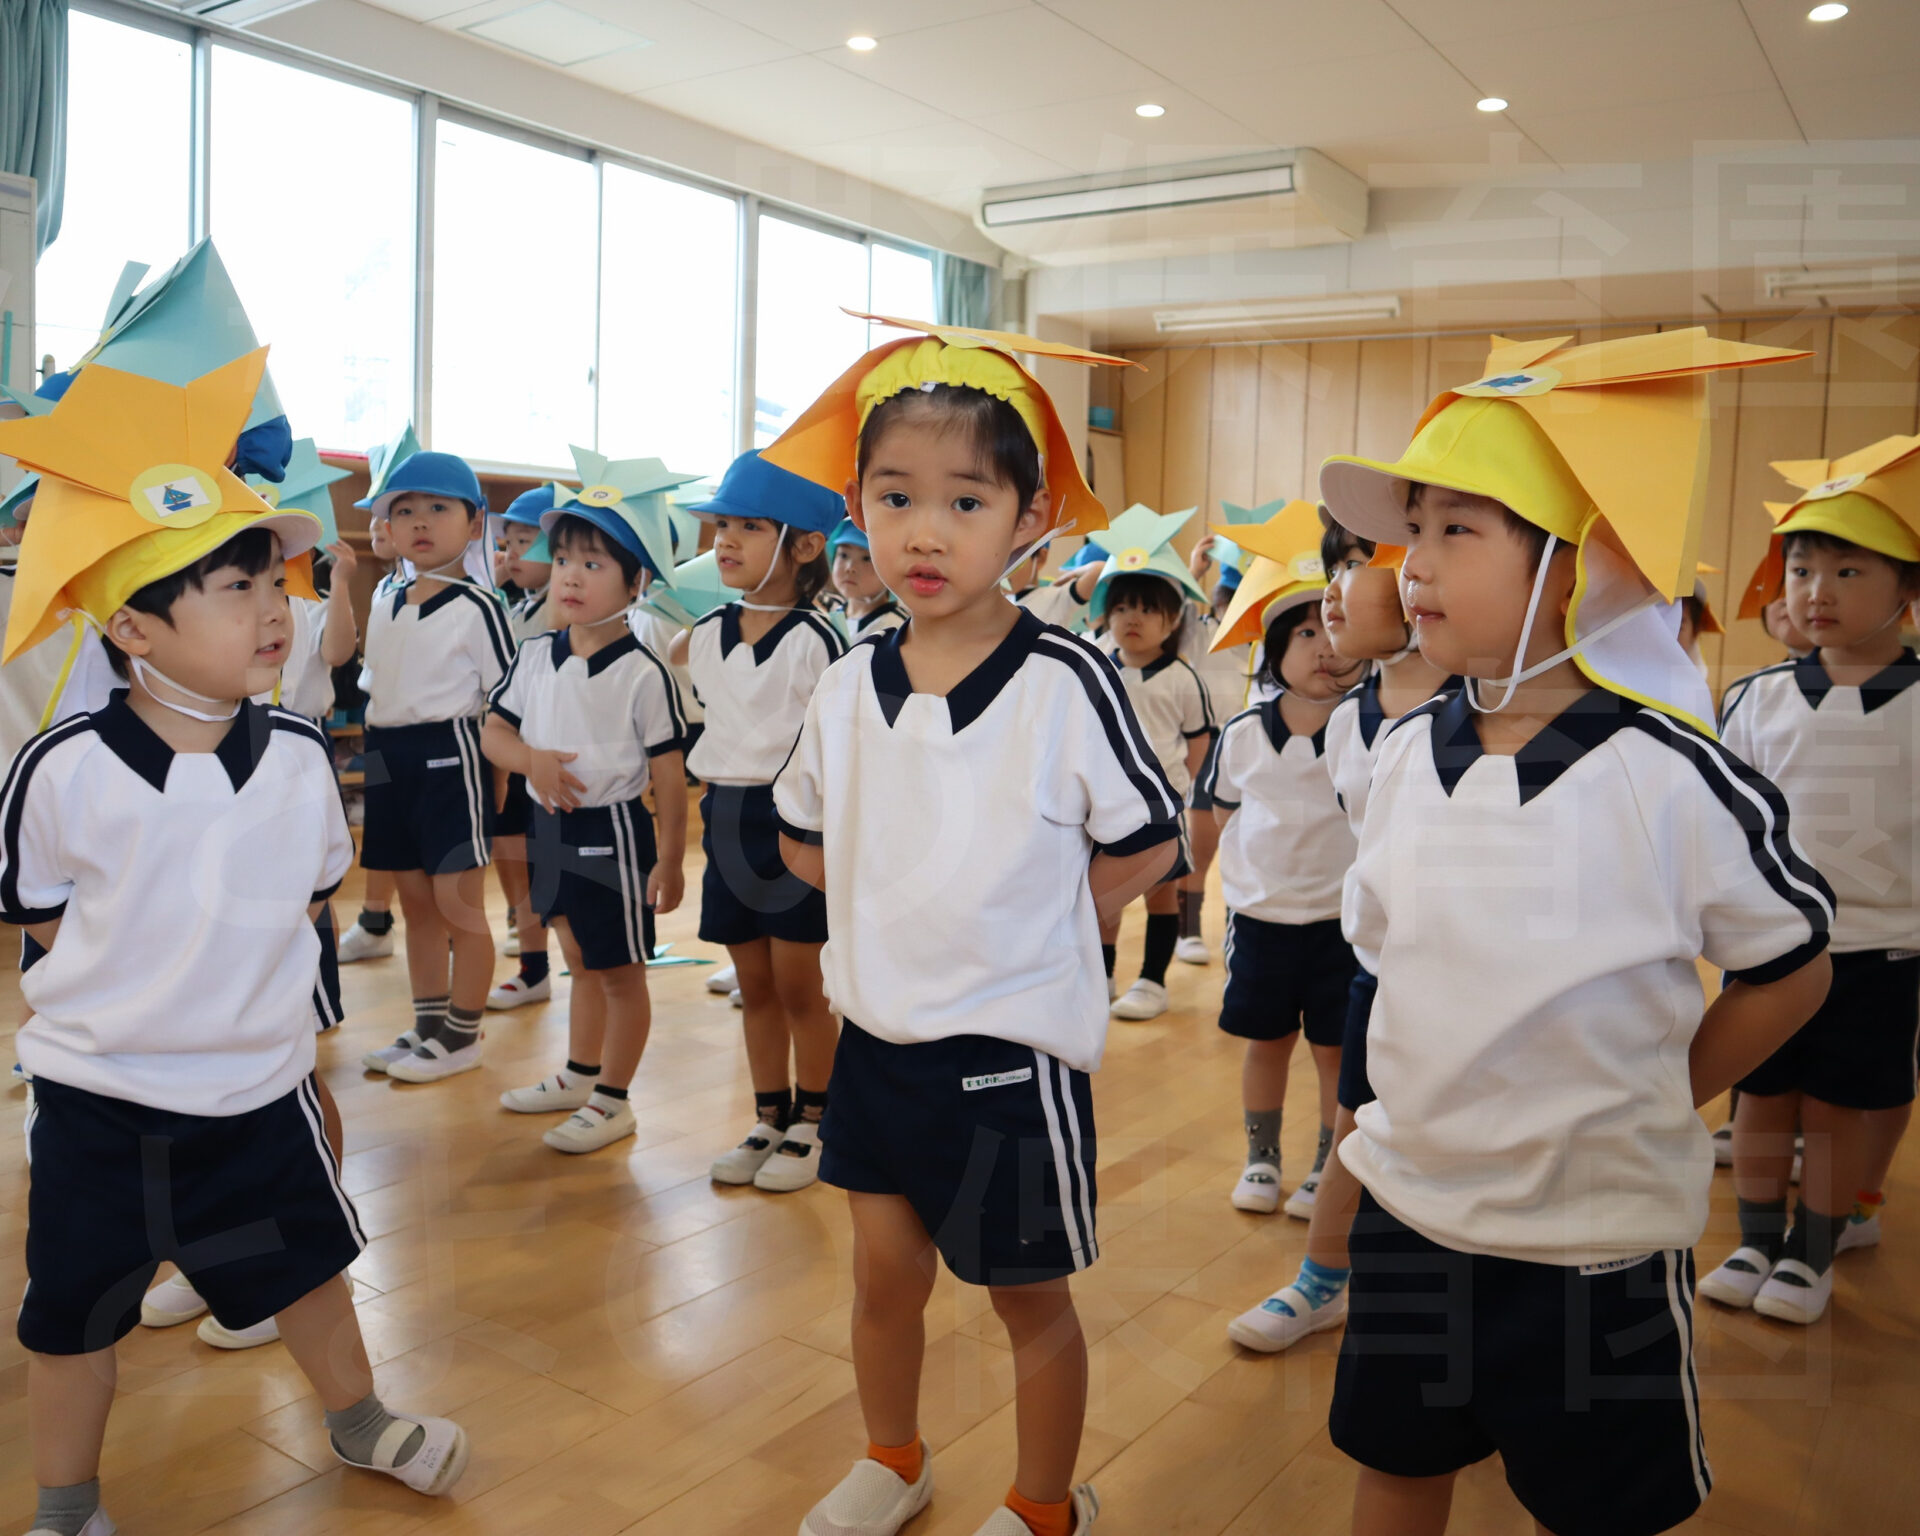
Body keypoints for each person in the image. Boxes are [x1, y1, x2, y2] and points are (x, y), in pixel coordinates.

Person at [1316, 328, 1833, 1536]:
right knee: (1396, 1462)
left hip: (1591, 1247)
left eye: (1459, 530)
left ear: (1577, 566)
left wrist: (1670, 1087)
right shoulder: (1403, 750)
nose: (1412, 565)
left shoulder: (1668, 774)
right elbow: (1383, 959)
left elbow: (1792, 965)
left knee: (1602, 1505)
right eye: (1414, 530)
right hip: (1413, 1215)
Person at [0, 354, 470, 1536]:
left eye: (275, 580)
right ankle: (66, 1501)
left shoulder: (303, 758)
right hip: (99, 1101)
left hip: (258, 1091)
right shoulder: (63, 770)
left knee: (306, 1268)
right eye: (233, 588)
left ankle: (358, 1418)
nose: (274, 611)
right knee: (72, 1316)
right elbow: (41, 915)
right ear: (132, 628)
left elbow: (307, 895)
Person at [764, 315, 1164, 1536]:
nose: (925, 533)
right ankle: (893, 1459)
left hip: (1008, 1058)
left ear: (1029, 517)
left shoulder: (1066, 682)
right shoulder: (847, 681)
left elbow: (1150, 837)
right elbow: (798, 833)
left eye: (965, 501)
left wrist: (1049, 915)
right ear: (856, 508)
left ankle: (1044, 1505)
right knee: (883, 1282)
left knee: (1025, 1299)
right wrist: (884, 897)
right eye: (896, 499)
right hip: (877, 1046)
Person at [1704, 436, 1920, 1323]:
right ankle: (1757, 1239)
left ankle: (1812, 1251)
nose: (1816, 591)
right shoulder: (1758, 697)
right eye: (1800, 570)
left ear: (1907, 590)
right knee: (1760, 1098)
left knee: (1835, 1112)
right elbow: (1724, 821)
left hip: (1882, 950)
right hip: (1775, 947)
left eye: (1847, 571)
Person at [1226, 509, 1453, 1350]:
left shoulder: (1480, 702)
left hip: (1459, 977)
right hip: (1376, 968)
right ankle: (1323, 1278)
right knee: (1355, 1117)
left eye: (1363, 564)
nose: (1336, 591)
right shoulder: (1351, 717)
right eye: (1337, 568)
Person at [486, 498, 689, 1153]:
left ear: (635, 584)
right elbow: (494, 733)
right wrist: (531, 761)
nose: (571, 575)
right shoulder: (536, 655)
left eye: (594, 564)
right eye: (564, 560)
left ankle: (614, 1100)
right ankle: (579, 1074)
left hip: (613, 834)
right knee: (577, 957)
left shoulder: (643, 672)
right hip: (548, 828)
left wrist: (671, 860)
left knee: (619, 970)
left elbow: (669, 776)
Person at [671, 450, 846, 1192]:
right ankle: (769, 1114)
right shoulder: (707, 630)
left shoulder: (819, 639)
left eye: (748, 527)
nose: (726, 541)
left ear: (805, 545)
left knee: (802, 987)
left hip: (795, 823)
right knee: (755, 983)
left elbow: (842, 749)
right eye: (721, 527)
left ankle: (817, 1120)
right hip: (725, 816)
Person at [1195, 502, 1364, 1222]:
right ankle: (1261, 1157)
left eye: (1334, 627)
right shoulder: (1242, 733)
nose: (1324, 647)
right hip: (1262, 918)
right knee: (1266, 1041)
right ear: (1273, 649)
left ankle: (1328, 1160)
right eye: (1305, 633)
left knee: (1334, 1050)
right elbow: (1218, 812)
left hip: (1341, 922)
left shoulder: (1370, 727)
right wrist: (1219, 880)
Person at [354, 451, 514, 1082]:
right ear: (387, 527)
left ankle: (464, 1033)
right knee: (415, 903)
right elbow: (377, 686)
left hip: (450, 756)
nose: (420, 521)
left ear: (473, 524)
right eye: (404, 511)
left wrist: (499, 779)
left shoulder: (478, 606)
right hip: (386, 753)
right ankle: (428, 1024)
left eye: (438, 508)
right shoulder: (386, 598)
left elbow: (508, 701)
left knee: (458, 905)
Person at [1077, 505, 1214, 1021]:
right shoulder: (1095, 665)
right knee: (1105, 901)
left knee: (1161, 894)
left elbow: (1198, 743)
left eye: (1147, 609)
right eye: (1122, 608)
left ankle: (1153, 981)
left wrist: (1180, 792)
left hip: (1161, 810)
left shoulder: (1182, 678)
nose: (1132, 618)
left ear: (1172, 619)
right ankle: (1103, 978)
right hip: (1102, 807)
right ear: (1106, 615)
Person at [488, 483, 559, 1009]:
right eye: (507, 542)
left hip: (541, 757)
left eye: (524, 542)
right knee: (510, 850)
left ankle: (537, 967)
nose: (510, 554)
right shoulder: (519, 606)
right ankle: (532, 964)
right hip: (511, 753)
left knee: (536, 865)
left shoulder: (557, 609)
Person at [1174, 531, 1255, 965]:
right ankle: (1187, 931)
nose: (1234, 614)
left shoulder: (1267, 640)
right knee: (1200, 851)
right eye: (1228, 604)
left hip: (1253, 749)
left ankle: (1234, 933)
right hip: (1210, 746)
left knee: (1246, 852)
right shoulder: (1201, 631)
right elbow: (1172, 618)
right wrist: (1193, 571)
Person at [827, 516, 907, 636]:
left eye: (866, 558)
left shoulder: (896, 628)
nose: (850, 568)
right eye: (843, 555)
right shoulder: (833, 616)